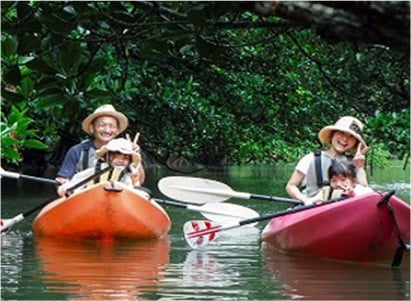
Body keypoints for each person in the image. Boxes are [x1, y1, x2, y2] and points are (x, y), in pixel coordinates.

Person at [286, 116, 369, 205]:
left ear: (355, 143)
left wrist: (359, 167)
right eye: (341, 133)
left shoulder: (353, 164)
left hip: (341, 207)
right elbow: (291, 186)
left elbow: (364, 192)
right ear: (332, 134)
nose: (344, 139)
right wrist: (305, 200)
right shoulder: (311, 158)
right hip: (311, 207)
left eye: (351, 136)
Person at [55, 104, 144, 184]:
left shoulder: (126, 152)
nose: (107, 130)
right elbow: (62, 179)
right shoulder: (77, 151)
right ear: (92, 128)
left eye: (112, 126)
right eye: (102, 125)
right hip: (84, 196)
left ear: (117, 130)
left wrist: (135, 155)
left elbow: (139, 181)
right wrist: (64, 184)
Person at [57, 138, 143, 196]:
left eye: (125, 158)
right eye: (116, 156)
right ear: (107, 156)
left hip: (116, 203)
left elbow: (132, 190)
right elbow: (79, 180)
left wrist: (137, 185)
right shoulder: (95, 171)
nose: (120, 160)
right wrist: (66, 188)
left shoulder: (126, 175)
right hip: (91, 199)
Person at [306, 158, 374, 204]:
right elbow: (308, 202)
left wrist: (354, 196)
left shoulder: (360, 190)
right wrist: (316, 203)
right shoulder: (327, 192)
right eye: (333, 181)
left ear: (354, 181)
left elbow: (372, 198)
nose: (338, 184)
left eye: (343, 180)